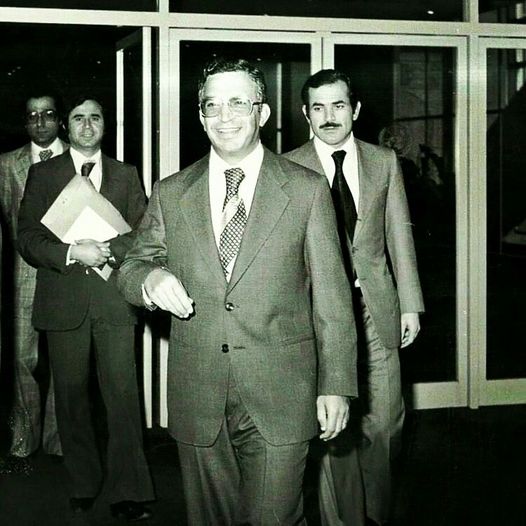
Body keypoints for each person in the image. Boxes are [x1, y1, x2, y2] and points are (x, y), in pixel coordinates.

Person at [117, 57, 358, 525]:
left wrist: (336, 385)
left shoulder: (306, 190)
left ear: (262, 113)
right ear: (200, 115)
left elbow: (332, 298)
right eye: (212, 105)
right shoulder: (172, 191)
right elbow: (131, 266)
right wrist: (149, 279)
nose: (224, 116)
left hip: (283, 392)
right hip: (198, 392)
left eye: (237, 103)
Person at [284, 69, 425, 526]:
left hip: (374, 307)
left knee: (386, 423)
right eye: (318, 107)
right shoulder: (286, 168)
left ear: (356, 110)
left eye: (338, 105)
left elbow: (399, 235)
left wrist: (410, 303)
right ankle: (344, 519)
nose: (329, 117)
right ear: (305, 114)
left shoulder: (383, 162)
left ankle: (377, 515)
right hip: (319, 315)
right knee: (335, 428)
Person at [17, 95, 154, 521]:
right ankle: (82, 483)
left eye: (95, 118)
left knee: (123, 397)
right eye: (79, 118)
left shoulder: (126, 174)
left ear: (105, 125)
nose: (87, 125)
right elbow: (28, 238)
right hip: (64, 301)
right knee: (71, 398)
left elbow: (145, 233)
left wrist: (109, 249)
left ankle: (129, 490)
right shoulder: (43, 174)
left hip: (114, 301)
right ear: (66, 125)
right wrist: (73, 252)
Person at [0, 91, 67, 468]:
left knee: (63, 359)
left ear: (60, 120)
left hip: (65, 272)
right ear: (25, 122)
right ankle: (23, 438)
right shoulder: (7, 164)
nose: (40, 122)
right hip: (22, 276)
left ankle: (59, 440)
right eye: (32, 115)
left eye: (48, 114)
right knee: (22, 357)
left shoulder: (77, 158)